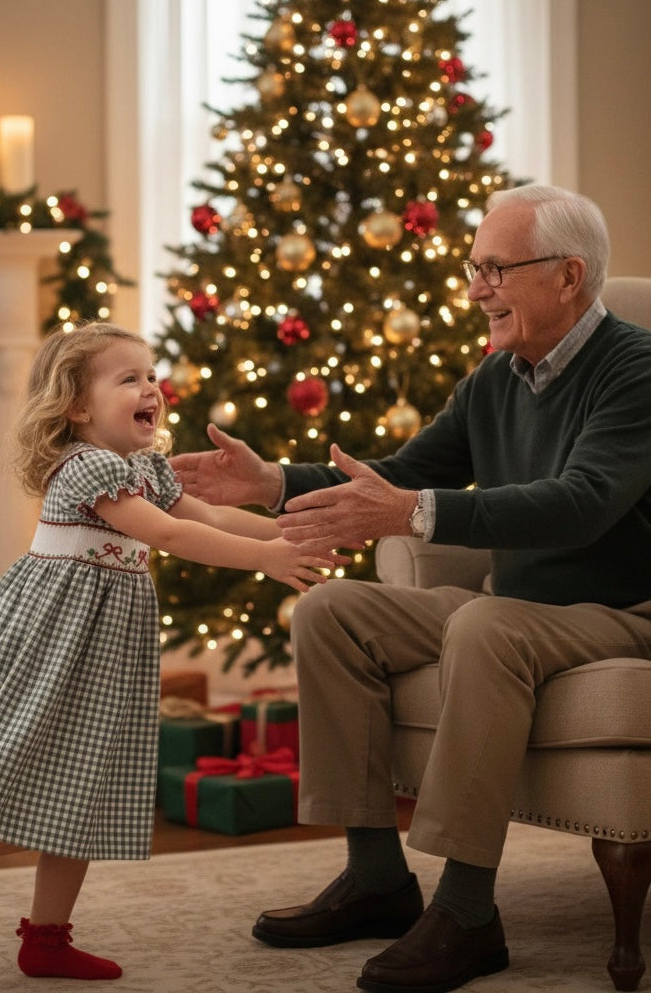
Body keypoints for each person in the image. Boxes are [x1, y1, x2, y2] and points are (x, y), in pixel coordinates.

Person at [169, 184, 651, 993]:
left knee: (487, 627)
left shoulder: (635, 368)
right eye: (473, 267)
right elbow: (401, 477)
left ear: (570, 277)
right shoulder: (497, 379)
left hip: (622, 612)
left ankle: (467, 912)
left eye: (495, 268)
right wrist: (271, 483)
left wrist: (414, 513)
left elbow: (583, 503)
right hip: (520, 609)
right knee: (332, 611)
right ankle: (377, 879)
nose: (474, 289)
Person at [0, 321, 336, 980]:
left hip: (104, 648)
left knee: (85, 794)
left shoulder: (144, 467)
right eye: (129, 378)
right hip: (56, 642)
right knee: (43, 794)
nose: (151, 387)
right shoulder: (84, 465)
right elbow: (166, 534)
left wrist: (285, 533)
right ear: (77, 405)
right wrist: (266, 559)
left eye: (151, 376)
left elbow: (205, 518)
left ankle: (45, 939)